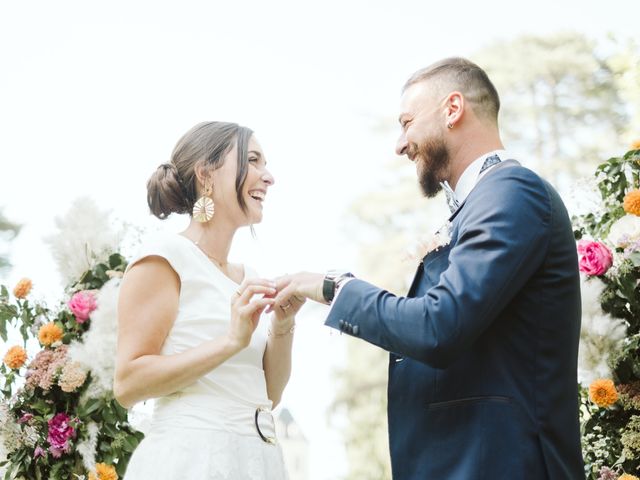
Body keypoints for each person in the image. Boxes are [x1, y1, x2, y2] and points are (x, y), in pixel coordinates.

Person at [275, 58, 584, 479]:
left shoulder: (513, 191)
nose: (400, 144)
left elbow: (440, 325)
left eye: (406, 122)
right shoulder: (480, 204)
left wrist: (335, 287)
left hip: (504, 464)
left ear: (452, 109)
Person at [114, 121, 301, 479]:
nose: (269, 176)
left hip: (256, 461)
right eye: (253, 160)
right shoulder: (165, 256)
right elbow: (127, 383)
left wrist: (283, 326)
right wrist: (232, 340)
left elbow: (270, 396)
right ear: (206, 174)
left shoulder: (248, 276)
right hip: (190, 460)